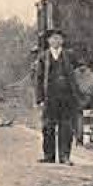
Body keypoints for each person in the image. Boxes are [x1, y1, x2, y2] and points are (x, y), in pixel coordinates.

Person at [34, 28, 82, 165]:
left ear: (62, 41)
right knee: (48, 127)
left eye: (58, 38)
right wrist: (39, 99)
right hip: (50, 97)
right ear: (49, 41)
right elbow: (39, 79)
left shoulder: (70, 56)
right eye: (53, 38)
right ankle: (49, 156)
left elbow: (81, 71)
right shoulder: (43, 57)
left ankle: (64, 156)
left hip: (67, 97)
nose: (56, 41)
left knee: (66, 127)